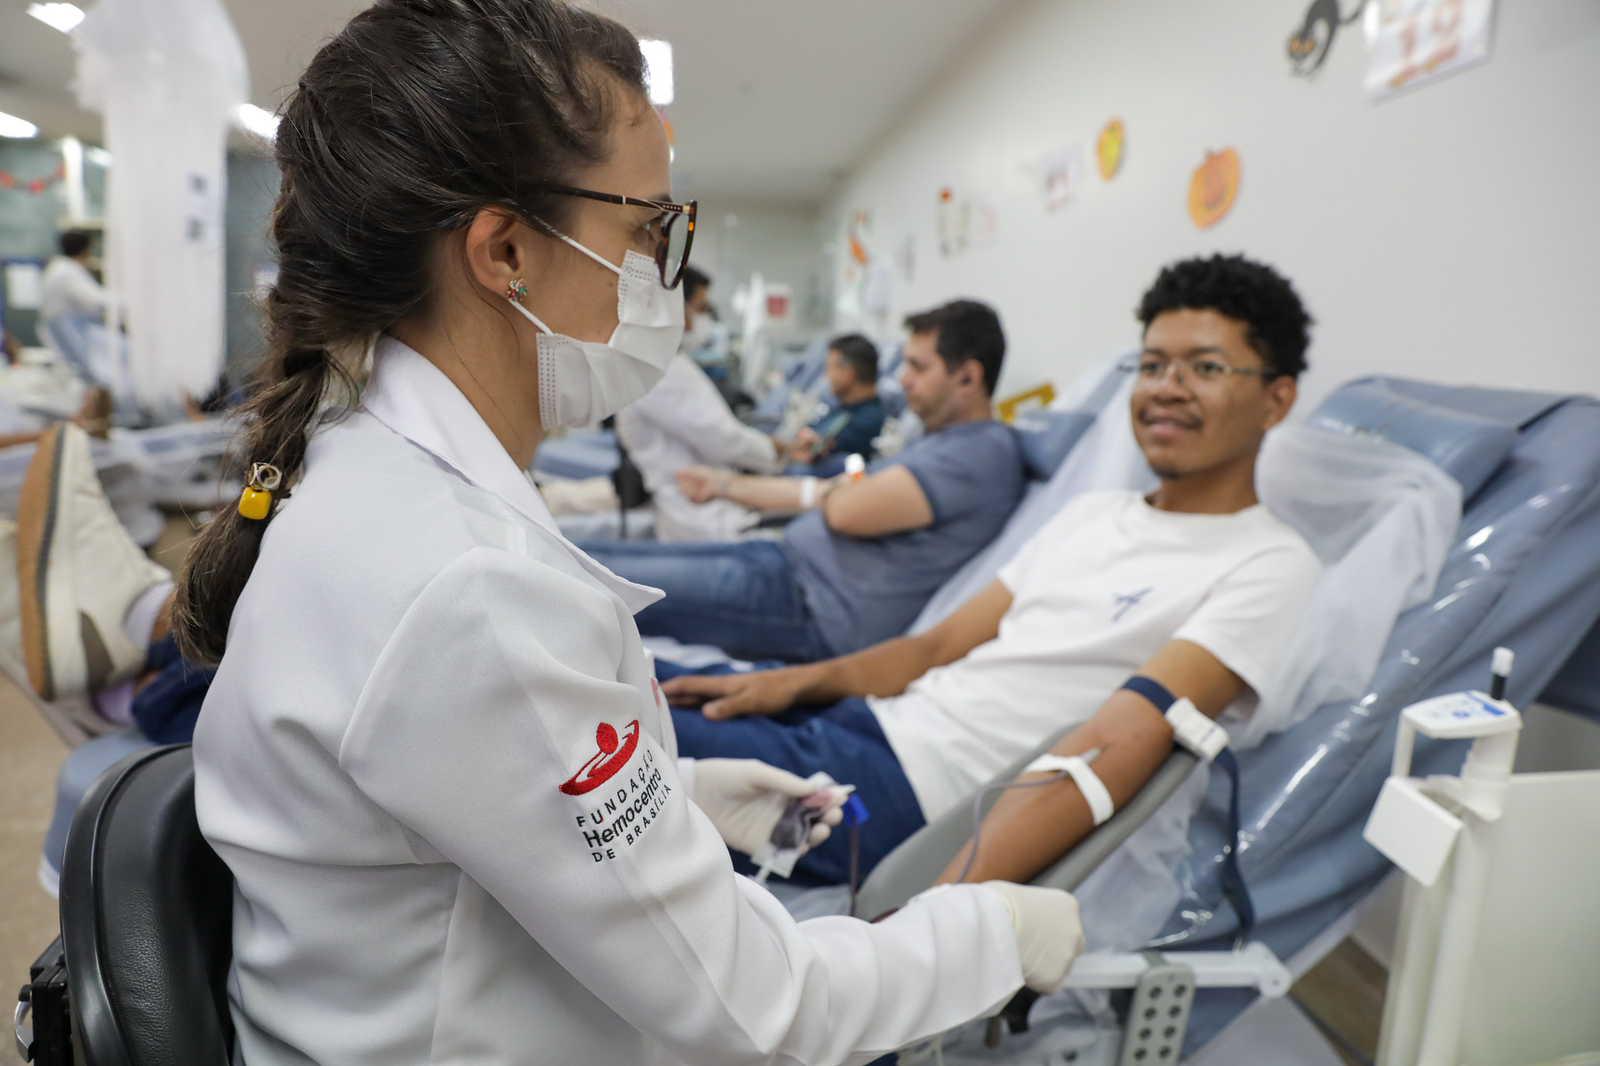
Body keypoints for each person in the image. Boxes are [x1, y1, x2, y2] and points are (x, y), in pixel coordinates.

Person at [58, 5, 1083, 1063]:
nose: (658, 272)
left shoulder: (368, 468)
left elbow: (464, 800)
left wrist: (678, 797)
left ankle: (131, 631)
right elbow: (761, 1011)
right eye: (646, 230)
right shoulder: (469, 587)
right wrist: (989, 933)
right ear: (505, 250)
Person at [662, 254, 1324, 889]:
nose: (1165, 388)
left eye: (1205, 367)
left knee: (620, 743)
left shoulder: (1269, 563)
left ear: (1276, 399)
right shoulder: (1092, 514)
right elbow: (934, 648)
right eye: (1152, 365)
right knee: (637, 677)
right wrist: (786, 684)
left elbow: (1120, 740)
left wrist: (935, 922)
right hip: (864, 722)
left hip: (904, 798)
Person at [586, 299, 1027, 663]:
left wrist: (839, 492)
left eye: (918, 367)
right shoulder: (942, 443)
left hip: (810, 602)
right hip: (786, 563)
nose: (903, 379)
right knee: (598, 563)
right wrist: (724, 485)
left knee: (603, 585)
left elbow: (844, 510)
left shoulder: (981, 453)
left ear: (968, 376)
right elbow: (834, 495)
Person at [609, 266, 787, 540]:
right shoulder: (658, 372)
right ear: (675, 307)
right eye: (701, 308)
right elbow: (723, 439)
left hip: (708, 503)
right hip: (704, 517)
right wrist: (774, 453)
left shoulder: (669, 361)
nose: (705, 318)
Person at [781, 333, 886, 476]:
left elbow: (816, 452)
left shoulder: (866, 422)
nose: (826, 376)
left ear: (847, 374)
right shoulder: (842, 409)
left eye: (829, 368)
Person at [39, 230, 108, 382]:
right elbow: (94, 300)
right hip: (73, 332)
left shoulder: (56, 268)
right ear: (86, 250)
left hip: (63, 332)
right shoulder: (68, 272)